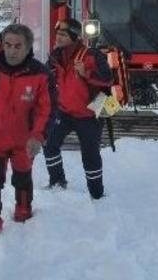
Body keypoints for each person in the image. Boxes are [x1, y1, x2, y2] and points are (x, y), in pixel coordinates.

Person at [0, 24, 52, 238]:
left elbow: (47, 110)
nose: (12, 50)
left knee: (22, 178)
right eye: (7, 45)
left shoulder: (40, 74)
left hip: (23, 141)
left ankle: (23, 209)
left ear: (28, 47)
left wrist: (38, 136)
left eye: (17, 46)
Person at [42, 19, 114, 199]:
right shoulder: (55, 56)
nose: (58, 37)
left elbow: (108, 79)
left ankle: (97, 194)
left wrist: (85, 74)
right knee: (50, 146)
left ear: (73, 37)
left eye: (63, 35)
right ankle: (57, 182)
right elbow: (43, 76)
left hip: (89, 116)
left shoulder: (92, 55)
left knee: (90, 156)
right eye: (57, 33)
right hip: (64, 112)